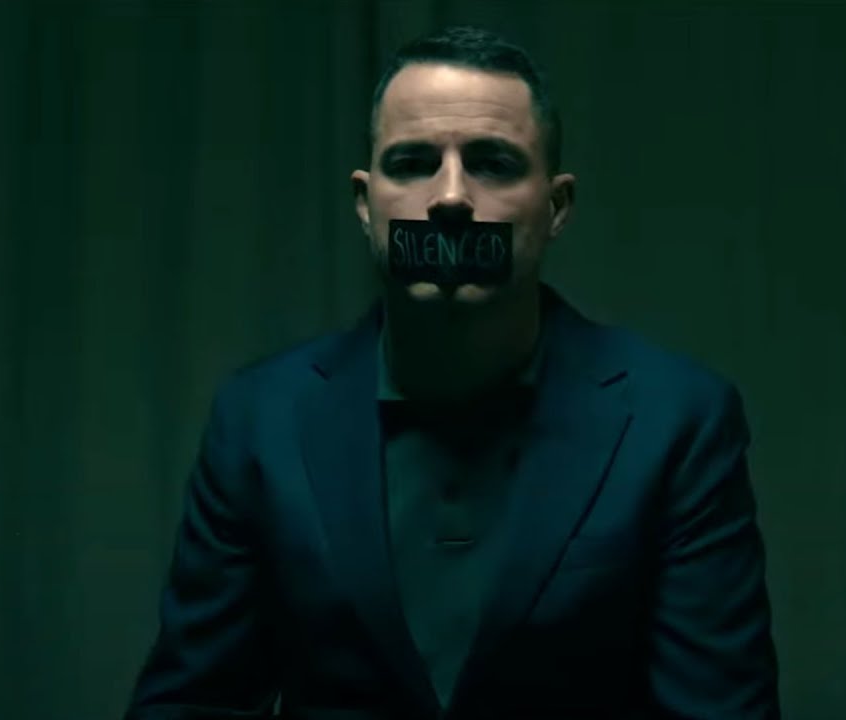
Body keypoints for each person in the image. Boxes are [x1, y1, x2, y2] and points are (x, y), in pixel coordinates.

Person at [125, 25, 779, 720]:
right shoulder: (260, 421)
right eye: (412, 163)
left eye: (493, 164)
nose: (450, 198)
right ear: (365, 204)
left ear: (556, 207)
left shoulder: (676, 422)